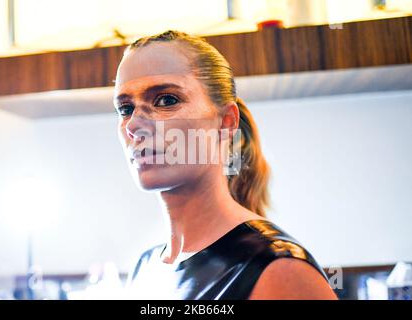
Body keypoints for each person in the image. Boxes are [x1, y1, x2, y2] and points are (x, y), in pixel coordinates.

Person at [113, 30, 337, 300]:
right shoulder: (145, 268)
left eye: (166, 100)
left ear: (226, 122)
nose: (135, 125)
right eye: (125, 108)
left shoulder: (278, 270)